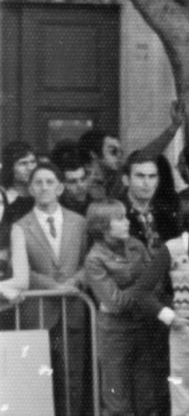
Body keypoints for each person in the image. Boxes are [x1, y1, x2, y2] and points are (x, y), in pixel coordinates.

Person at [17, 163, 90, 416]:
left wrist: (75, 282)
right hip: (38, 312)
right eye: (38, 182)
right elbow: (23, 269)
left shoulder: (79, 222)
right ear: (30, 189)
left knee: (73, 376)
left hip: (72, 310)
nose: (44, 187)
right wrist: (55, 286)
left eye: (50, 182)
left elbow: (88, 261)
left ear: (60, 187)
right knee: (39, 378)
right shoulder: (20, 226)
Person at [83, 197, 168, 415]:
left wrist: (139, 289)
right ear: (102, 225)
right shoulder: (94, 259)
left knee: (148, 395)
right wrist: (143, 289)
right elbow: (115, 302)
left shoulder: (136, 245)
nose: (127, 222)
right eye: (120, 219)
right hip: (115, 333)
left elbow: (157, 284)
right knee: (117, 398)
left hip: (144, 327)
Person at [137, 201, 189, 416]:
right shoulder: (173, 248)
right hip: (186, 329)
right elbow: (142, 290)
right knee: (184, 393)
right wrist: (170, 317)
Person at [78, 102, 184, 201]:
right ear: (94, 154)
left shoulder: (118, 178)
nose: (119, 156)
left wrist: (174, 127)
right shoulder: (78, 179)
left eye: (121, 152)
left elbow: (146, 154)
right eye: (113, 151)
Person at [122, 149, 183, 254]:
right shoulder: (114, 213)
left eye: (152, 176)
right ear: (126, 180)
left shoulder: (167, 214)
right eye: (140, 176)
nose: (147, 183)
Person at [1, 141, 38, 224]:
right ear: (10, 167)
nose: (30, 168)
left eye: (33, 162)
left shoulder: (40, 193)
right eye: (23, 163)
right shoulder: (3, 196)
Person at [53, 148, 94, 216]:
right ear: (61, 184)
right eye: (72, 182)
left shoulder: (95, 205)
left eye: (83, 179)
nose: (80, 186)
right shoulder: (55, 210)